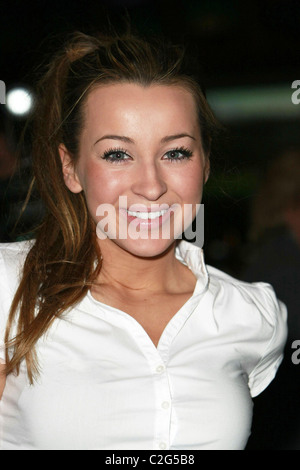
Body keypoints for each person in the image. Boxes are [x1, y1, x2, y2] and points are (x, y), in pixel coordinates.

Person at [0, 30, 287, 451]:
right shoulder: (9, 288)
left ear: (205, 163)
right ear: (70, 168)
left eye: (176, 153)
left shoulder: (253, 316)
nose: (151, 185)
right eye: (117, 154)